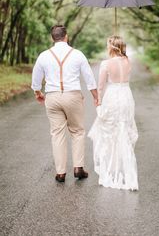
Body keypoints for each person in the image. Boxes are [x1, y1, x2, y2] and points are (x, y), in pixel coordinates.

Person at [31, 25, 98, 183]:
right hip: (72, 96)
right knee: (77, 131)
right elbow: (89, 78)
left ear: (52, 38)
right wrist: (96, 96)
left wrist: (38, 93)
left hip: (52, 97)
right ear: (66, 36)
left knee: (57, 134)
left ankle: (60, 173)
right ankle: (78, 168)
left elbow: (36, 79)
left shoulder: (43, 56)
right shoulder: (77, 54)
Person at [88, 35, 138, 191]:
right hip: (126, 96)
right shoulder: (128, 61)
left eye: (108, 45)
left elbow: (101, 86)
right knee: (123, 132)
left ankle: (110, 171)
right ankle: (127, 172)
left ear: (112, 47)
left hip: (112, 98)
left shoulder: (106, 64)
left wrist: (98, 102)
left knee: (109, 135)